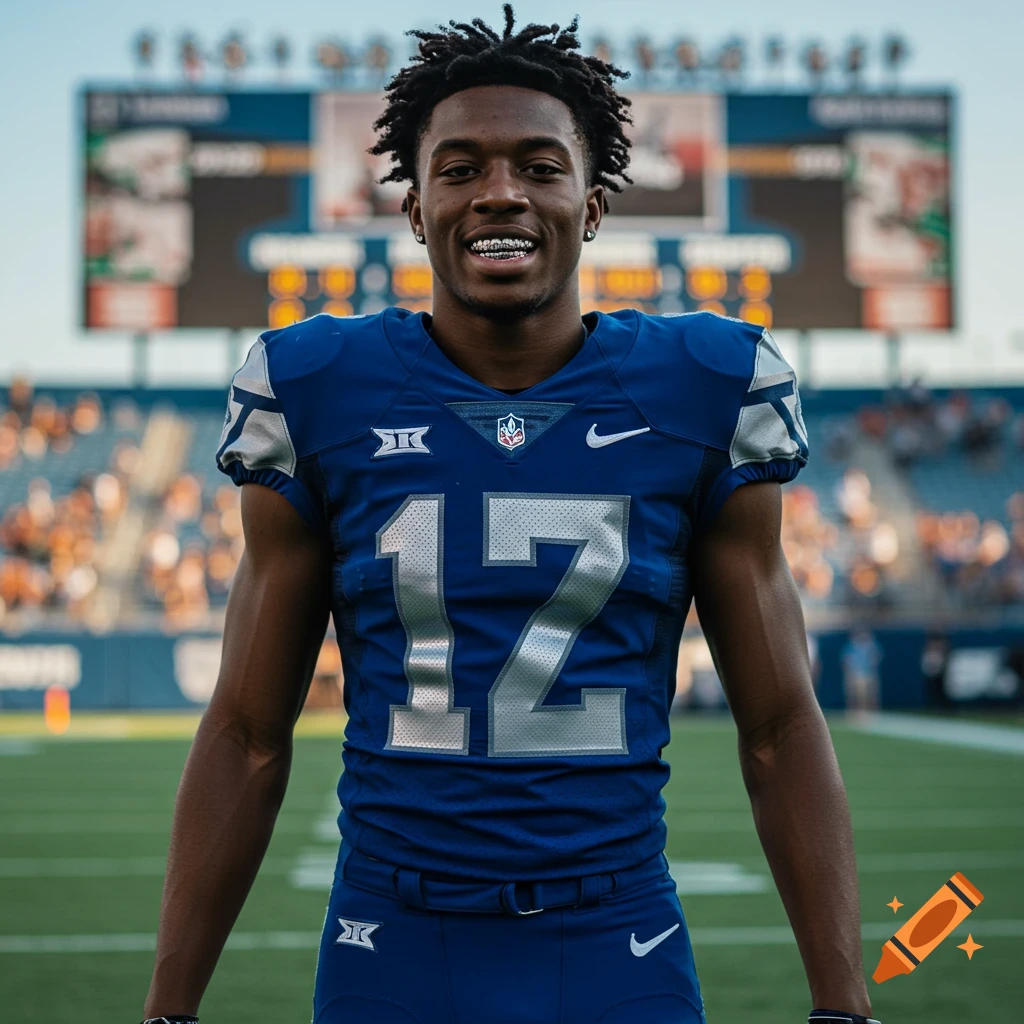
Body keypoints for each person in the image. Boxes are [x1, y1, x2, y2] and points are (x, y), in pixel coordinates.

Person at [142, 9, 877, 1024]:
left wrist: (844, 1003)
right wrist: (168, 1009)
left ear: (594, 202)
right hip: (389, 941)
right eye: (459, 167)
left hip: (619, 940)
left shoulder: (707, 385)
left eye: (539, 165)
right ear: (411, 206)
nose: (500, 193)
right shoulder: (313, 388)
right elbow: (247, 730)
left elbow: (779, 724)